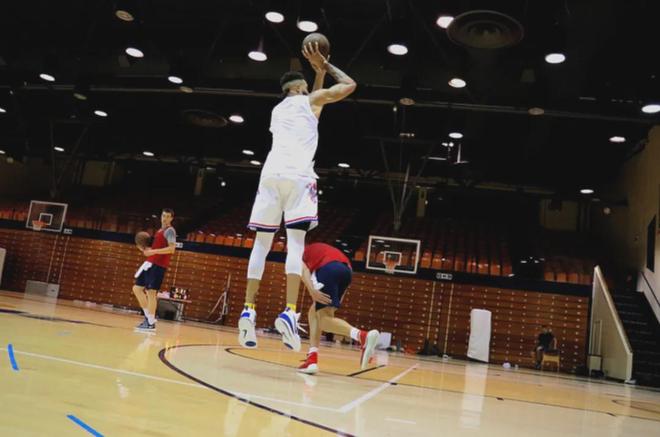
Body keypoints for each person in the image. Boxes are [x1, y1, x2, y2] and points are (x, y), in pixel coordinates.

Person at [238, 42, 357, 351]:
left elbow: (312, 108)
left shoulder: (277, 111)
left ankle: (248, 309)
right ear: (299, 88)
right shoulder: (310, 100)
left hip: (270, 176)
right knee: (295, 244)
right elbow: (349, 85)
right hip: (298, 177)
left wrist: (317, 76)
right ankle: (289, 312)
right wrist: (326, 66)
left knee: (261, 244)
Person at [297, 242, 379, 374]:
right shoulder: (322, 249)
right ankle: (312, 359)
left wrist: (311, 290)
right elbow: (343, 270)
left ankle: (362, 336)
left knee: (323, 320)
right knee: (314, 312)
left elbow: (304, 271)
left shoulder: (299, 253)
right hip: (347, 272)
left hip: (328, 269)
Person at [133, 209, 177, 333]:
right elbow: (156, 247)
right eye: (163, 216)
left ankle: (150, 323)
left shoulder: (170, 231)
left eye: (168, 216)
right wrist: (145, 249)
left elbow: (172, 249)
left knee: (151, 293)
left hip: (158, 265)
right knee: (137, 289)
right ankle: (149, 318)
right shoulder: (159, 231)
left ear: (171, 218)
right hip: (150, 263)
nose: (165, 218)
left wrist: (153, 251)